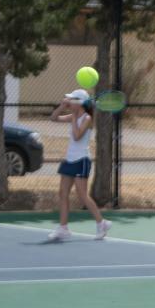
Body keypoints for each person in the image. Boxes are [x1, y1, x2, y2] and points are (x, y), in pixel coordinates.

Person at [47, 89, 111, 241]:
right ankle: (63, 228)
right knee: (63, 193)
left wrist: (74, 117)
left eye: (71, 100)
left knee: (82, 196)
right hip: (70, 159)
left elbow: (76, 136)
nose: (68, 101)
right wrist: (62, 107)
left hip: (82, 160)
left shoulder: (87, 118)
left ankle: (101, 223)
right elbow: (53, 118)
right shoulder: (74, 115)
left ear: (80, 103)